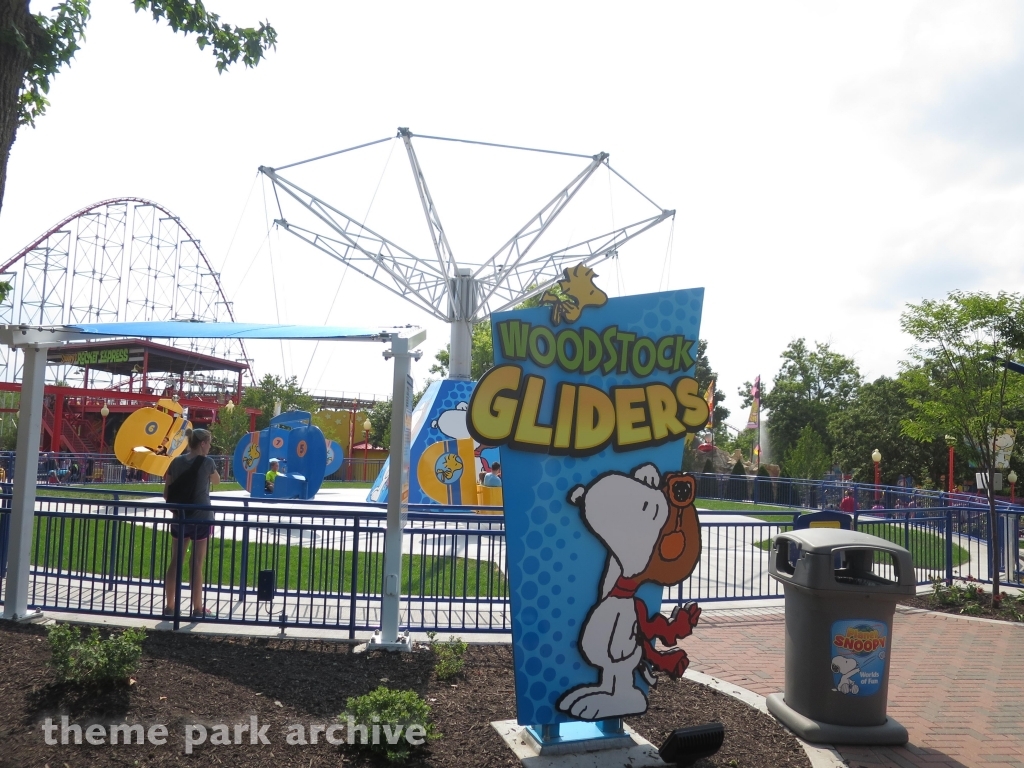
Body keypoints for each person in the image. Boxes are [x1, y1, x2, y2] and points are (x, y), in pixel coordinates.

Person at [163, 428, 220, 620]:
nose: (210, 446)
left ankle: (170, 607)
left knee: (175, 560)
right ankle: (197, 608)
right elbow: (217, 481)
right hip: (201, 517)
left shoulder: (176, 462)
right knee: (196, 562)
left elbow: (167, 494)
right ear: (203, 443)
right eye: (209, 443)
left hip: (180, 517)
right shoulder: (208, 463)